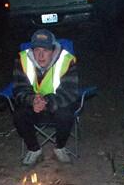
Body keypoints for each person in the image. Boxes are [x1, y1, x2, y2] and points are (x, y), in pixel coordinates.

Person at [12, 28, 79, 166]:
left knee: (66, 113)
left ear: (53, 50)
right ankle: (34, 150)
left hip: (56, 105)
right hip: (34, 107)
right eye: (37, 50)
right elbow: (19, 89)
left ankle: (60, 148)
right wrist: (32, 100)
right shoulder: (23, 60)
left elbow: (70, 92)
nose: (41, 55)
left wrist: (46, 101)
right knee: (19, 114)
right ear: (32, 50)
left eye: (46, 50)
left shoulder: (66, 61)